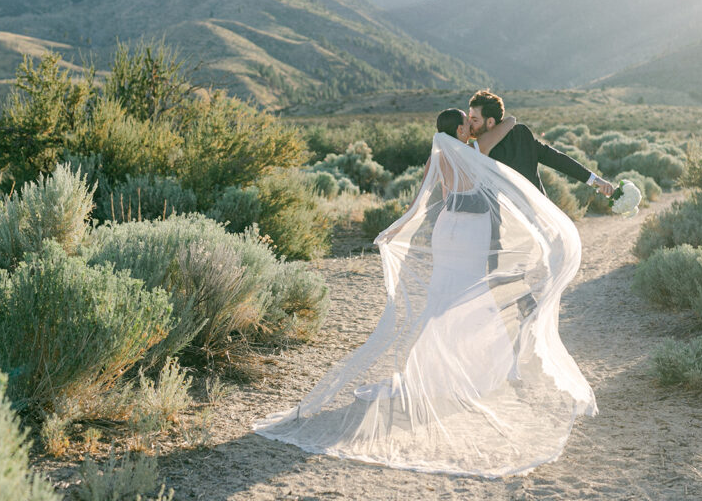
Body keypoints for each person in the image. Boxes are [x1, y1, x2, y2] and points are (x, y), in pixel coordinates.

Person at [254, 107, 597, 478]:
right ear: (460, 130)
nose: (472, 126)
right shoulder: (471, 151)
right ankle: (467, 371)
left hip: (446, 231)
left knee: (444, 301)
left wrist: (394, 229)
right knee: (469, 299)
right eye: (468, 123)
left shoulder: (437, 155)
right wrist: (506, 120)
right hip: (471, 232)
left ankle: (443, 369)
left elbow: (419, 203)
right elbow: (502, 132)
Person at [468, 89, 615, 197]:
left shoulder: (519, 136)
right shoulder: (477, 147)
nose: (470, 124)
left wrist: (596, 180)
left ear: (490, 122)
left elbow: (556, 159)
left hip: (533, 218)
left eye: (474, 120)